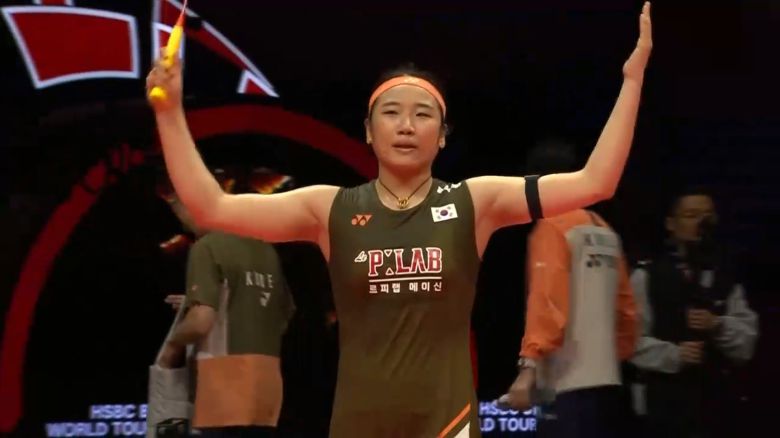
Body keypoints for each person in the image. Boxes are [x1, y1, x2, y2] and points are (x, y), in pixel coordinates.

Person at [145, 4, 652, 436]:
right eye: (391, 112)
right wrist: (169, 115)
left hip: (447, 423)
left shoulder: (476, 201)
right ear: (368, 130)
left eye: (423, 114)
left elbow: (596, 182)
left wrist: (632, 81)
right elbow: (210, 207)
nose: (406, 125)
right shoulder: (330, 208)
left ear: (443, 135)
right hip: (359, 424)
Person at [498, 140, 638, 438]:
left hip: (567, 388)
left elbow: (548, 302)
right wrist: (611, 358)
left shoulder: (552, 227)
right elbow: (626, 310)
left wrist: (528, 369)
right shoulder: (606, 231)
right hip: (610, 386)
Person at [155, 192, 296, 438]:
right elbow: (283, 313)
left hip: (221, 383)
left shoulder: (207, 247)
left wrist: (171, 348)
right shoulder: (267, 251)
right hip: (267, 385)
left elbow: (201, 320)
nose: (184, 224)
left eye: (181, 212)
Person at [629, 186, 758, 438]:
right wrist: (674, 354)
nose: (701, 223)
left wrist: (718, 325)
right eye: (691, 215)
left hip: (718, 405)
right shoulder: (647, 276)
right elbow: (628, 340)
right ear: (671, 223)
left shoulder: (725, 276)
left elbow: (746, 344)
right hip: (665, 406)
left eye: (707, 216)